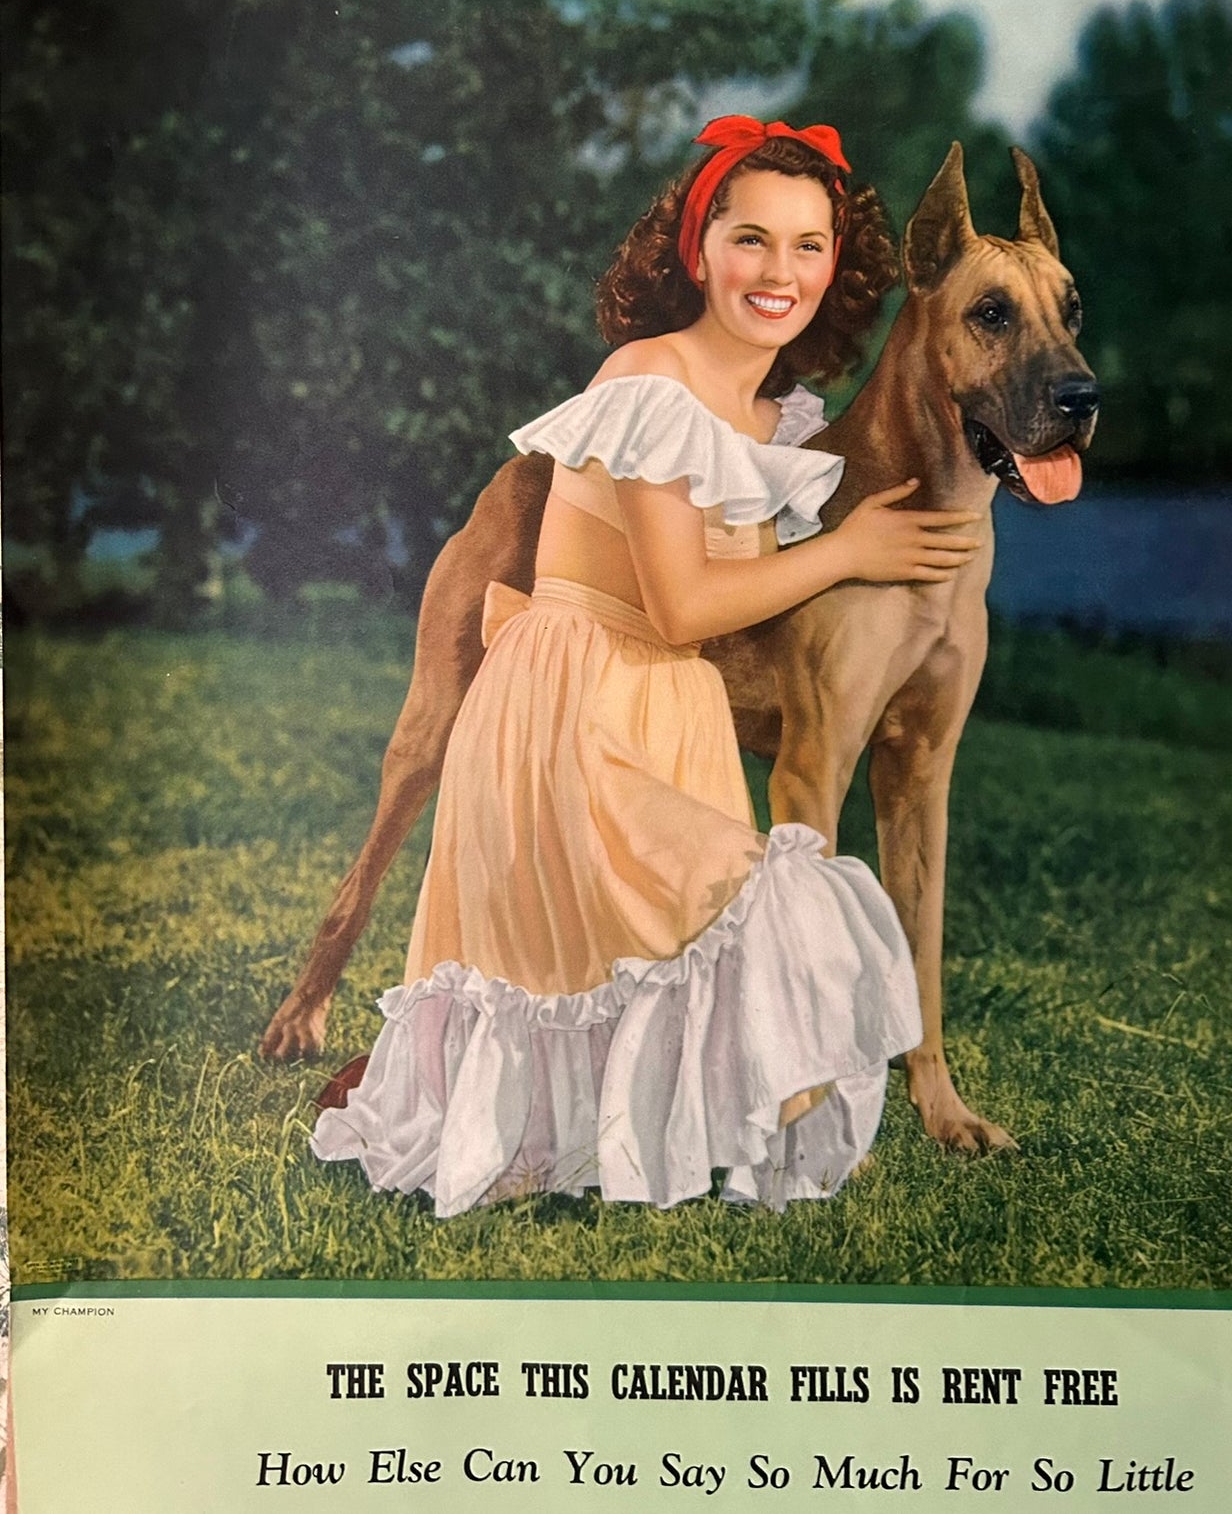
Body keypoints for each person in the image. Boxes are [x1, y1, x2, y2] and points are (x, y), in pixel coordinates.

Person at [313, 116, 981, 1216]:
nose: (778, 273)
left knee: (739, 933)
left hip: (672, 717)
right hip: (570, 714)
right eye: (749, 239)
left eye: (807, 246)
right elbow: (678, 609)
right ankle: (452, 1100)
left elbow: (728, 624)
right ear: (696, 249)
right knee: (780, 906)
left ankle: (566, 1115)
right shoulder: (648, 382)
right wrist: (845, 551)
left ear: (837, 266)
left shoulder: (775, 414)